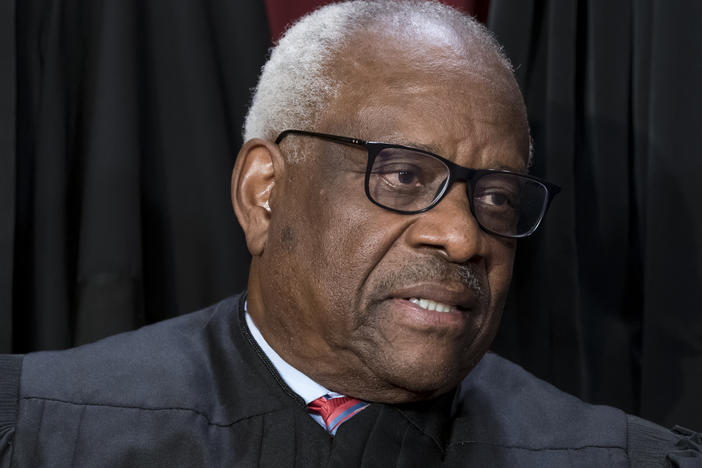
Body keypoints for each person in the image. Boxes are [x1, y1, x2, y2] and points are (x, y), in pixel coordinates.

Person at [1, 1, 700, 466]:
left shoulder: (613, 456)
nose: (462, 238)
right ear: (263, 192)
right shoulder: (47, 431)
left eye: (495, 196)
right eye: (402, 176)